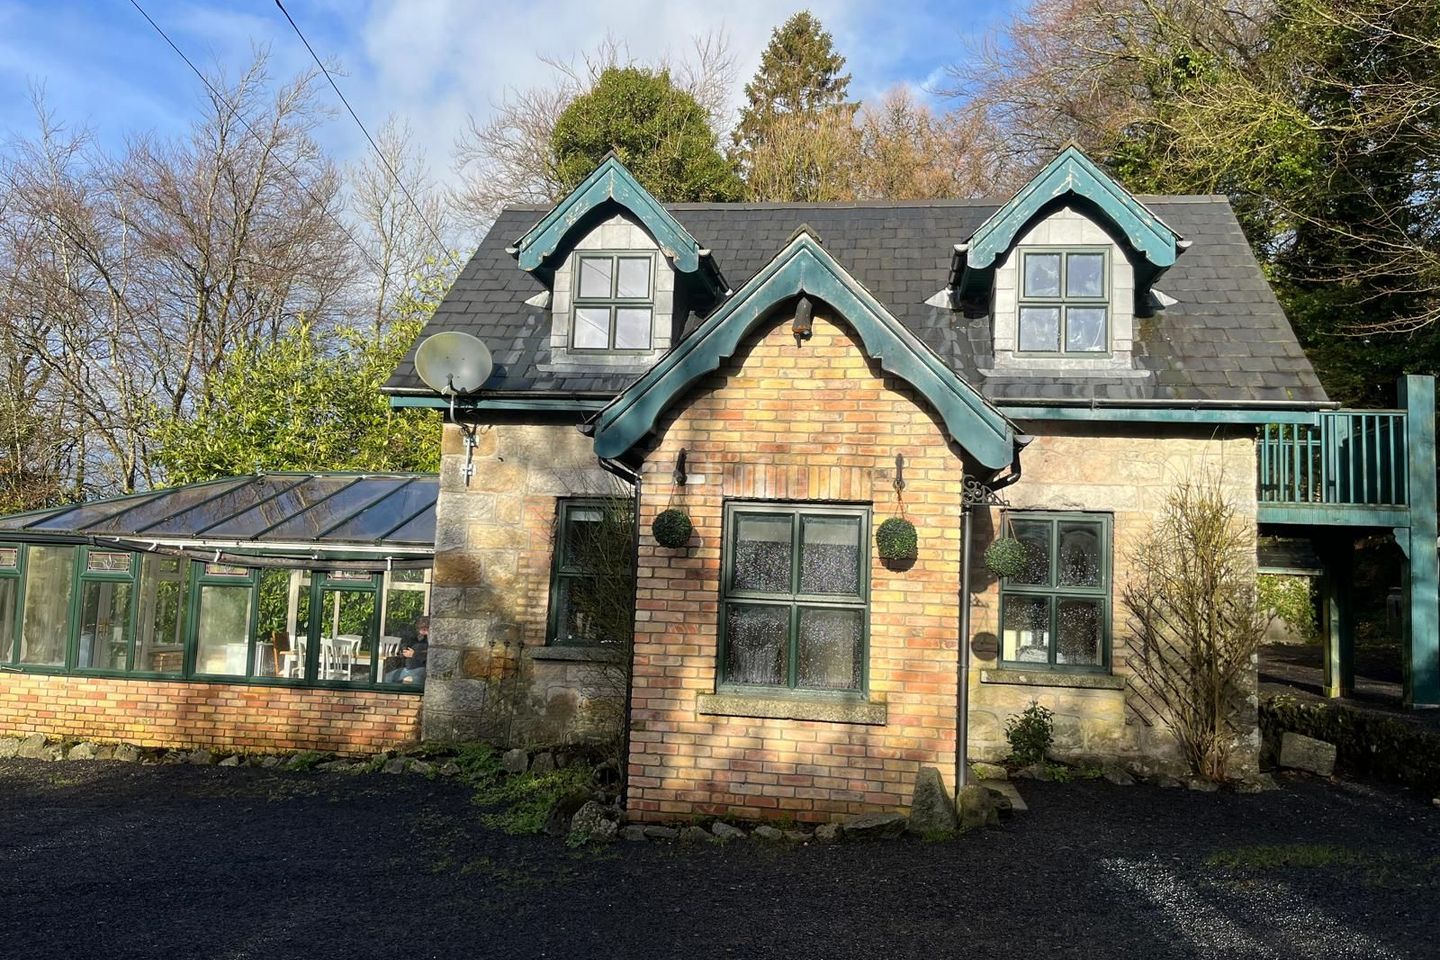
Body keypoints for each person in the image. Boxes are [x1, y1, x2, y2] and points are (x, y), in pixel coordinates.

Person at [385, 616, 428, 684]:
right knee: (386, 679)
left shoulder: (432, 640)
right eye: (418, 628)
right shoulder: (419, 638)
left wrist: (414, 654)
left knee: (416, 687)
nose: (419, 631)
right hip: (408, 668)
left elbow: (430, 656)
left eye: (421, 628)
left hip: (420, 668)